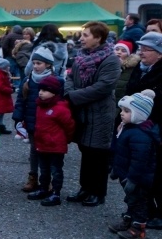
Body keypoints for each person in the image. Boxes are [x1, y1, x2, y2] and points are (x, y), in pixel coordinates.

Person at [64, 21, 121, 207]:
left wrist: (74, 96)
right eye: (82, 34)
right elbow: (70, 77)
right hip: (82, 112)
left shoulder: (111, 60)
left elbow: (103, 87)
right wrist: (69, 92)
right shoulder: (81, 56)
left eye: (86, 35)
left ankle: (98, 192)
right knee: (85, 151)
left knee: (98, 154)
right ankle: (85, 188)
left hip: (100, 113)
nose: (81, 38)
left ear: (98, 38)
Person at [124, 32, 162, 230]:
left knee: (155, 172)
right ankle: (143, 210)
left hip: (155, 127)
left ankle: (158, 214)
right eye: (141, 49)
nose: (142, 53)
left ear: (159, 53)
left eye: (147, 50)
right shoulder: (139, 69)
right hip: (137, 125)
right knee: (140, 171)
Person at [109, 90, 158, 239]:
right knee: (131, 200)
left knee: (139, 202)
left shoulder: (141, 135)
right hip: (127, 175)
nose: (122, 113)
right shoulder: (128, 128)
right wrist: (116, 169)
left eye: (127, 111)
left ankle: (139, 229)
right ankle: (129, 219)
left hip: (138, 178)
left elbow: (139, 161)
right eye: (122, 110)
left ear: (138, 114)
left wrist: (133, 179)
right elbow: (121, 152)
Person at [13, 45, 57, 193]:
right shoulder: (28, 80)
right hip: (32, 120)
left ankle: (47, 179)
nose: (36, 66)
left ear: (48, 64)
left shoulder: (54, 80)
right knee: (34, 150)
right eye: (34, 63)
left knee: (47, 151)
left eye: (39, 63)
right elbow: (21, 99)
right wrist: (18, 116)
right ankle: (33, 177)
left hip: (48, 122)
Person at [26, 75, 75, 206]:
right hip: (42, 145)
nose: (40, 93)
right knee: (44, 169)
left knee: (56, 170)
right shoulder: (40, 105)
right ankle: (44, 188)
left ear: (54, 92)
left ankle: (56, 193)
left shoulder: (60, 108)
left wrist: (66, 139)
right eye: (40, 90)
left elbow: (69, 126)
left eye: (44, 90)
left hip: (55, 146)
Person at [0, 56, 15, 134]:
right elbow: (0, 86)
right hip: (0, 96)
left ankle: (0, 126)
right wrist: (9, 90)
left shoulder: (2, 73)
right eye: (7, 66)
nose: (9, 67)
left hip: (2, 96)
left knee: (1, 112)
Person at [114, 41, 140, 106]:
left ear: (128, 55)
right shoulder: (107, 64)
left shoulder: (131, 68)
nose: (119, 52)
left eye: (123, 51)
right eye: (117, 49)